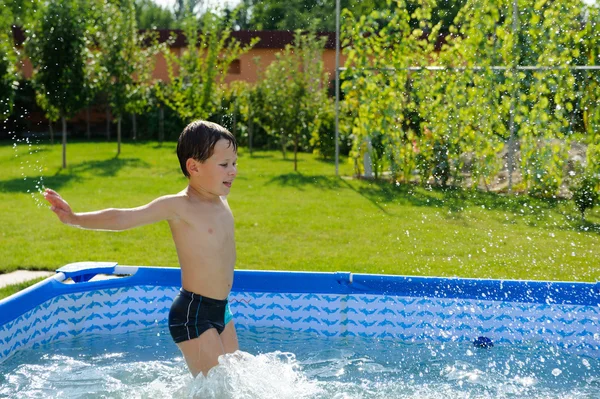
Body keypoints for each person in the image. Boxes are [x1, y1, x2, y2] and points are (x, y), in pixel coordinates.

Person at [43, 120, 239, 377]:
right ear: (193, 167)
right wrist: (75, 218)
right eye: (224, 165)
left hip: (221, 309)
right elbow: (123, 218)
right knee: (218, 390)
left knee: (234, 382)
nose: (233, 171)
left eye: (234, 163)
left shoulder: (220, 199)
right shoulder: (180, 206)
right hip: (194, 312)